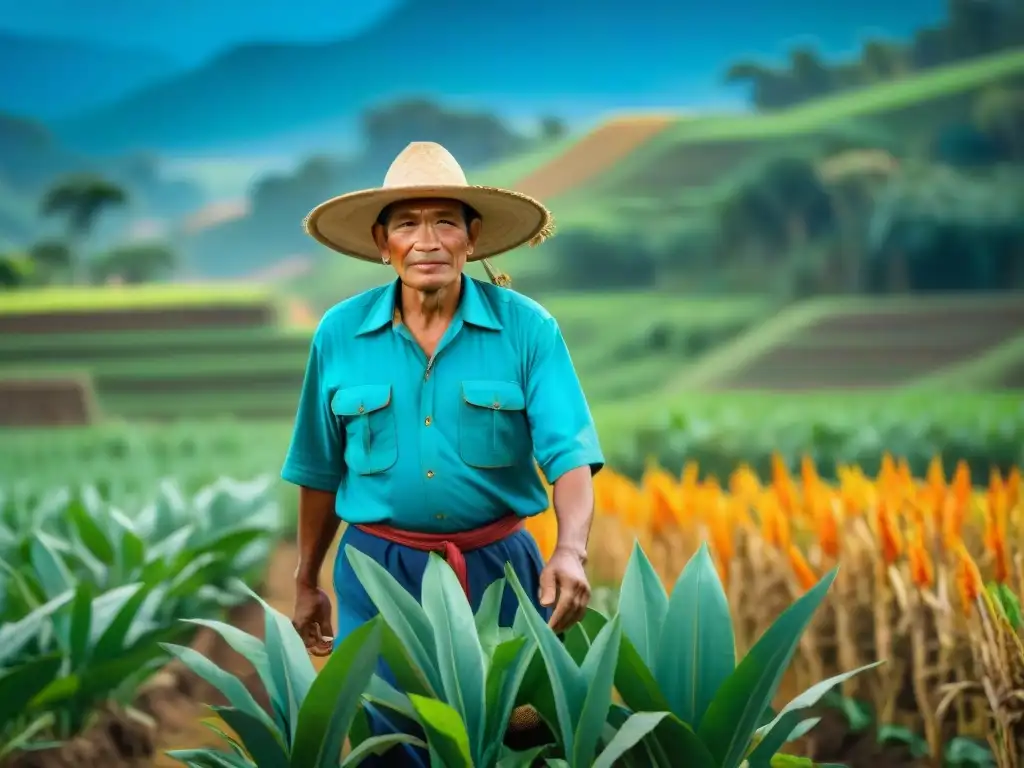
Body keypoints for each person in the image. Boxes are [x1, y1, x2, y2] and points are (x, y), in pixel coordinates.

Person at [281, 141, 604, 763]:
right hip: (378, 571)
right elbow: (318, 469)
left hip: (501, 571)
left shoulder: (528, 328)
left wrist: (569, 549)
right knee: (387, 740)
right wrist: (305, 578)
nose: (426, 240)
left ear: (472, 238)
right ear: (383, 243)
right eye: (407, 224)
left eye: (444, 222)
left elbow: (569, 453)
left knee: (517, 741)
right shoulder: (339, 335)